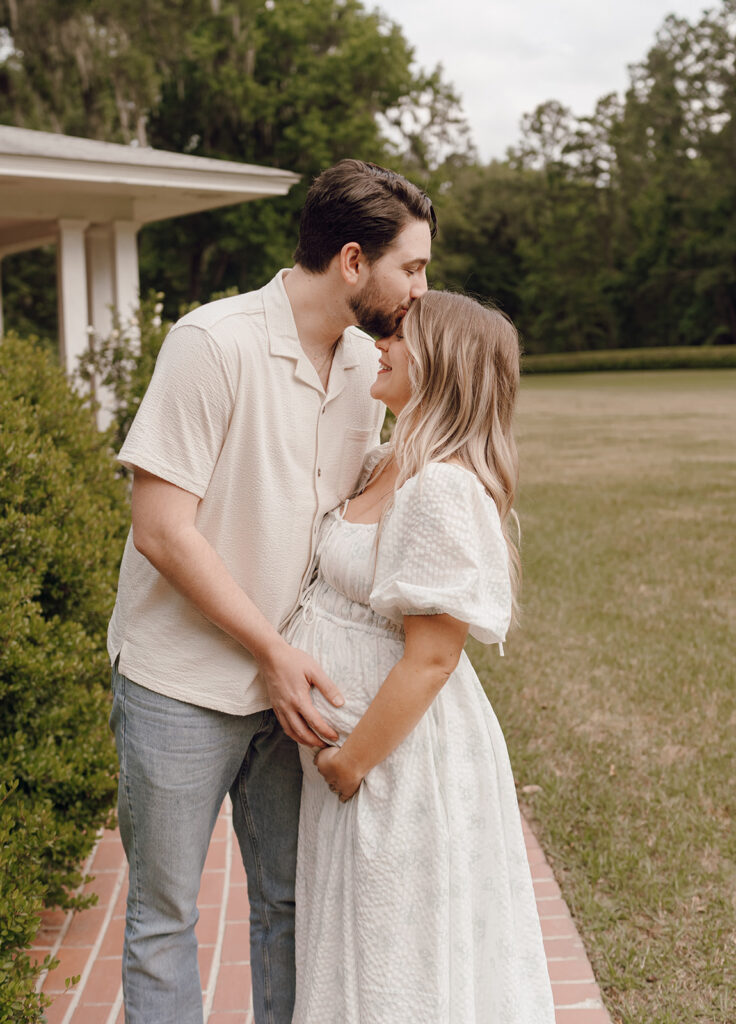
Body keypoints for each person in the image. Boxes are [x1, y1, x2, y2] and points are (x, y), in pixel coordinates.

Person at [106, 159, 435, 1024]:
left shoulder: (368, 363)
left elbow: (348, 497)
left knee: (293, 911)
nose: (422, 289)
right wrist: (272, 652)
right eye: (414, 267)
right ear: (355, 262)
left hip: (292, 693)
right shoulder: (212, 343)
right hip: (179, 684)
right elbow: (161, 528)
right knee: (164, 921)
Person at [283, 290, 557, 1023]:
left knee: (397, 958)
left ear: (441, 363)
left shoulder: (440, 489)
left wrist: (348, 763)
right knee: (359, 948)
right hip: (361, 760)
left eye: (399, 336)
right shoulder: (385, 460)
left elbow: (433, 659)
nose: (382, 344)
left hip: (393, 766)